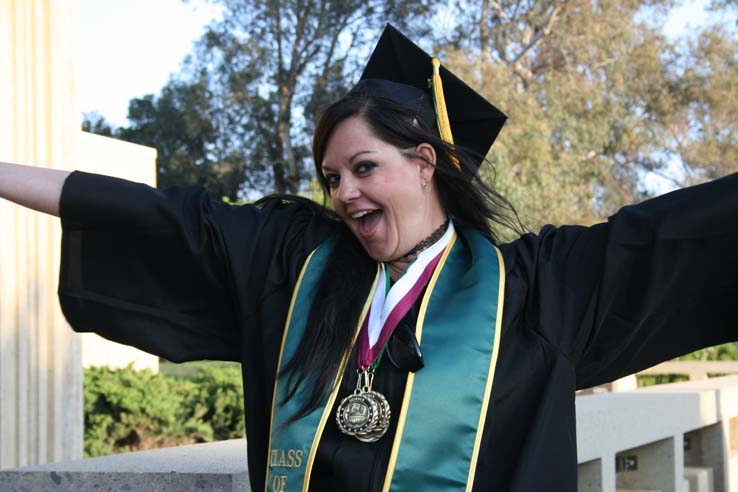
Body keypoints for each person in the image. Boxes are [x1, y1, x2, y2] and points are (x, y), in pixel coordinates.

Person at [1, 24, 737, 492]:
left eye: (362, 168)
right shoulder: (297, 267)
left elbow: (670, 237)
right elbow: (164, 217)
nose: (343, 194)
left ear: (425, 162)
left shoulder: (534, 288)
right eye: (330, 177)